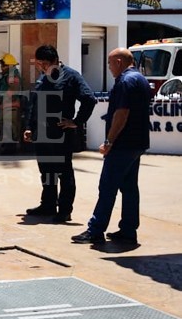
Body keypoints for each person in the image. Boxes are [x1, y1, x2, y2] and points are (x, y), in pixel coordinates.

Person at [72, 48, 150, 244]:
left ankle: (95, 230)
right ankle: (128, 230)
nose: (108, 67)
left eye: (109, 63)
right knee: (130, 188)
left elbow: (121, 113)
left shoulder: (125, 81)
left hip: (122, 144)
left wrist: (109, 141)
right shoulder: (140, 79)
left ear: (118, 61)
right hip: (137, 142)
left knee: (107, 187)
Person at [23, 45, 97, 223]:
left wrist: (76, 122)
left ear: (56, 60)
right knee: (46, 171)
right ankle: (47, 205)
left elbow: (89, 99)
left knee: (64, 173)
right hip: (41, 135)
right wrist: (29, 127)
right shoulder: (43, 78)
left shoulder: (71, 76)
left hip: (60, 135)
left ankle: (64, 210)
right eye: (39, 64)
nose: (42, 67)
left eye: (46, 64)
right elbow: (34, 104)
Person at [0, 53, 23, 154]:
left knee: (9, 129)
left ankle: (9, 150)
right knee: (4, 127)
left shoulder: (13, 75)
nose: (1, 68)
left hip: (11, 107)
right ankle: (6, 147)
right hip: (6, 106)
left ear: (9, 65)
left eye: (3, 65)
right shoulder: (9, 75)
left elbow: (13, 90)